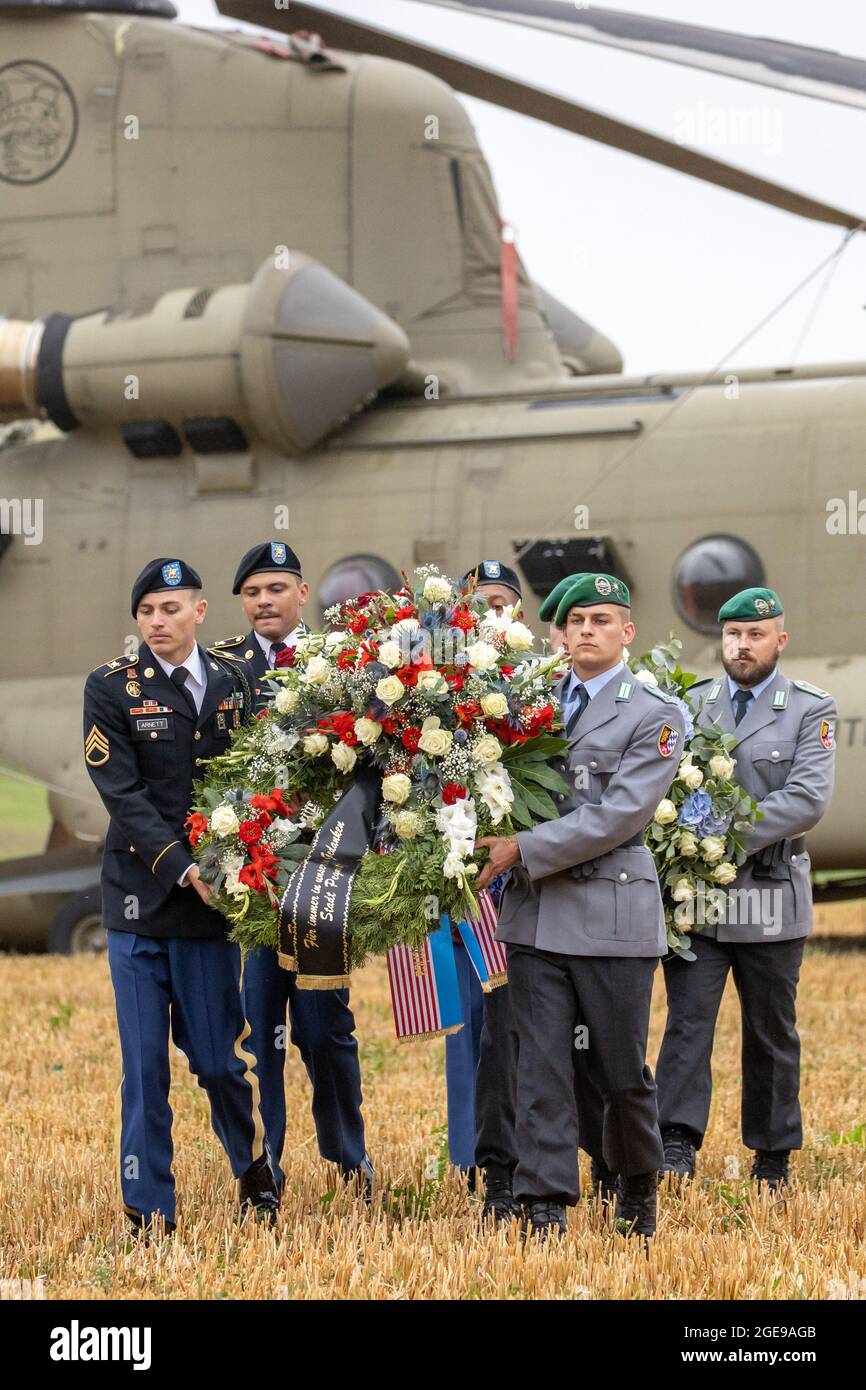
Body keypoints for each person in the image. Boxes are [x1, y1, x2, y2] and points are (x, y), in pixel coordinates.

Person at [477, 572, 684, 1239]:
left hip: (610, 917)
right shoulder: (526, 702)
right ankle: (545, 1206)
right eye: (576, 622)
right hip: (536, 917)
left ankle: (637, 1185)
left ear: (627, 632)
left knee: (620, 1072)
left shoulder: (653, 711)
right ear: (560, 634)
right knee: (539, 1067)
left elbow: (621, 815)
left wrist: (521, 849)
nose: (587, 630)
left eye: (602, 620)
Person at [83, 558, 279, 1235]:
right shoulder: (111, 687)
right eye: (147, 612)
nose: (158, 622)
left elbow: (259, 775)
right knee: (145, 1068)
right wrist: (182, 866)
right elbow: (124, 796)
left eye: (171, 609)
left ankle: (251, 1166)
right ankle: (149, 1210)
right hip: (139, 902)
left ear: (200, 611)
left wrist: (240, 861)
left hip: (210, 909)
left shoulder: (235, 680)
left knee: (221, 1062)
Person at [655, 587, 837, 1191]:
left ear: (779, 642)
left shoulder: (811, 709)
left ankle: (772, 1152)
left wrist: (717, 831)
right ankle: (675, 1141)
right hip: (701, 896)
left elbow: (806, 800)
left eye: (755, 635)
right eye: (732, 634)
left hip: (770, 892)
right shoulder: (692, 705)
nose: (741, 645)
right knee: (687, 1024)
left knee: (771, 1032)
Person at [213, 542, 371, 1195]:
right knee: (256, 1030)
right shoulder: (219, 670)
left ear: (303, 593)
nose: (265, 602)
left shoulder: (338, 666)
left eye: (277, 588)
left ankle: (347, 1153)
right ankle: (265, 1169)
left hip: (321, 878)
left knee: (324, 1027)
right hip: (251, 882)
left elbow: (369, 765)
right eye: (253, 592)